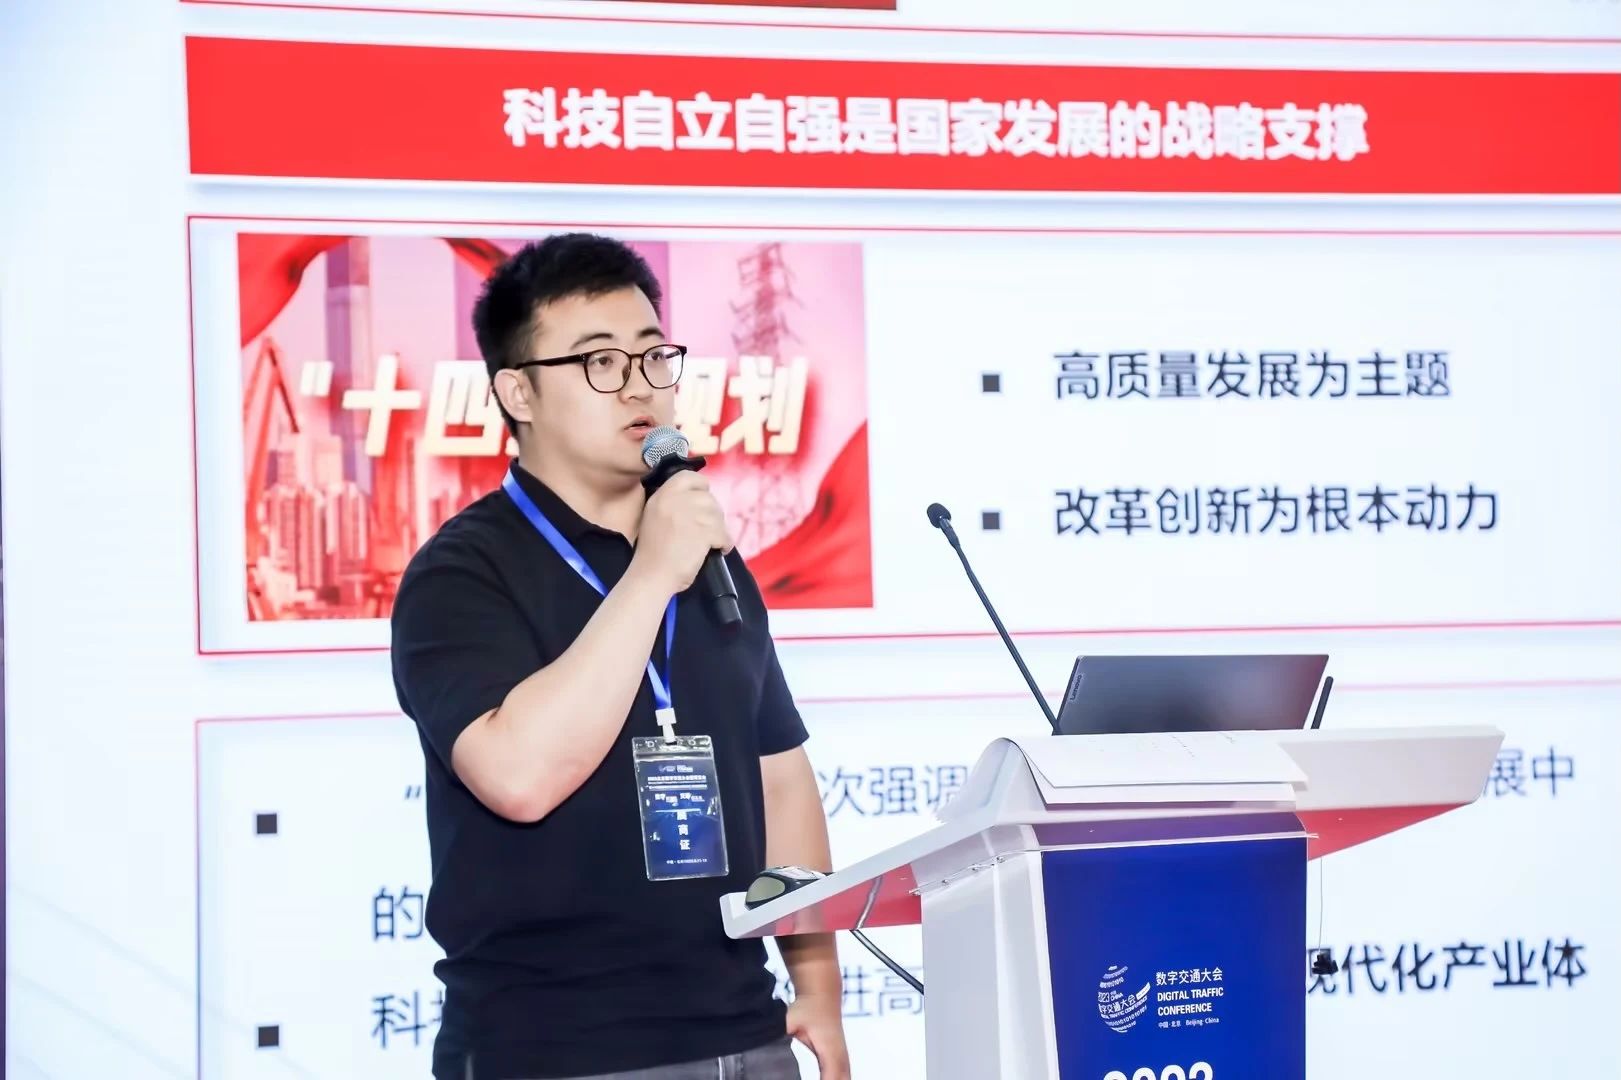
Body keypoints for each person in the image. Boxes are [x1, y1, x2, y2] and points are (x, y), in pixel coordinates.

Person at [390, 232, 849, 1080]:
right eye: (599, 362)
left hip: (744, 1034)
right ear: (518, 391)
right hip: (556, 1048)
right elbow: (518, 776)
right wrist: (651, 575)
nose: (639, 385)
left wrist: (817, 985)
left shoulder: (709, 560)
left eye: (652, 356)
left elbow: (779, 779)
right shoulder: (462, 573)